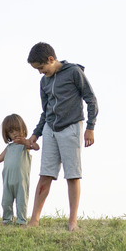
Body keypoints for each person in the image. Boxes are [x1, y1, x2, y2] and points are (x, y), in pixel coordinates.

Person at [25, 42, 98, 231]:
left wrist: (90, 127)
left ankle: (72, 221)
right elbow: (45, 110)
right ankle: (34, 219)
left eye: (41, 68)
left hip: (71, 127)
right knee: (45, 174)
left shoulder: (73, 72)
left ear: (51, 59)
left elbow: (91, 99)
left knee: (72, 175)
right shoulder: (44, 82)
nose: (40, 72)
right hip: (50, 129)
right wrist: (36, 133)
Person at [0, 114, 39, 225]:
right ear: (7, 134)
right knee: (6, 201)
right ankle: (7, 219)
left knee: (21, 201)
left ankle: (21, 220)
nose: (14, 133)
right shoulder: (9, 147)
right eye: (11, 131)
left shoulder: (25, 145)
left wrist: (26, 142)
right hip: (7, 180)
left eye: (17, 130)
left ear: (23, 129)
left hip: (21, 181)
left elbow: (36, 147)